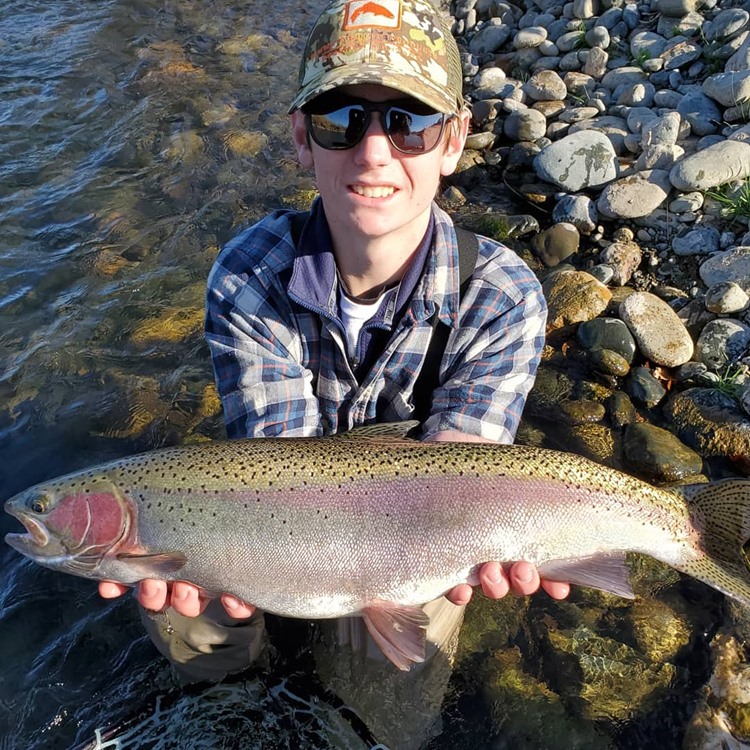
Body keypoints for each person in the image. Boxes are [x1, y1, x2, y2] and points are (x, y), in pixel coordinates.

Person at [100, 0, 568, 698]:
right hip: (286, 524)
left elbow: (460, 485)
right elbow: (279, 470)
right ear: (300, 137)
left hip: (425, 533)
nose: (375, 150)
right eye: (341, 120)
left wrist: (498, 548)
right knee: (177, 601)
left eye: (409, 123)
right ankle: (234, 704)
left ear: (453, 140)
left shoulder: (501, 294)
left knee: (391, 702)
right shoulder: (250, 272)